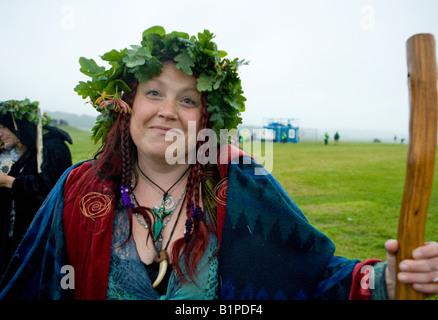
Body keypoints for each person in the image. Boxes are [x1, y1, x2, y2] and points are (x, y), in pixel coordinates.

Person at [1, 26, 437, 300]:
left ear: (206, 120)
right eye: (153, 92)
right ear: (125, 105)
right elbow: (30, 283)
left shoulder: (245, 183)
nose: (167, 110)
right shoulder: (78, 188)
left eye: (187, 100)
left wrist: (386, 281)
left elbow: (313, 277)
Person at [0, 99, 73, 277]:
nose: (0, 133)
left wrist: (9, 182)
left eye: (4, 127)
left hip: (41, 241)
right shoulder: (31, 149)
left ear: (18, 126)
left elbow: (50, 187)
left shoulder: (52, 146)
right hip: (20, 237)